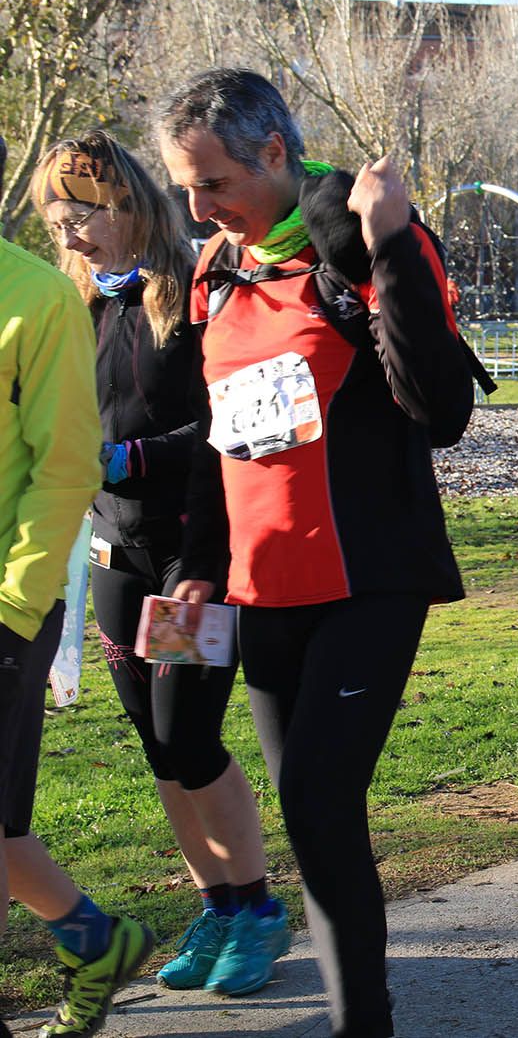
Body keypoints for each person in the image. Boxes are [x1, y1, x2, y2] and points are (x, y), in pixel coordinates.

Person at [159, 68, 472, 1038]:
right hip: (261, 588)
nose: (200, 209)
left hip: (366, 578)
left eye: (214, 184)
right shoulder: (219, 269)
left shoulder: (364, 235)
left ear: (274, 153)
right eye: (187, 189)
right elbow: (220, 435)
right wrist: (198, 562)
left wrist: (388, 243)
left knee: (318, 796)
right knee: (314, 820)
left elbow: (443, 409)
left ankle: (361, 1024)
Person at [30, 130, 288, 997]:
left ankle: (256, 910)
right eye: (56, 221)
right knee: (156, 745)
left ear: (129, 206)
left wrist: (126, 459)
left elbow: (228, 423)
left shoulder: (194, 291)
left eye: (82, 216)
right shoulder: (74, 303)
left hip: (190, 556)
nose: (69, 235)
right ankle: (216, 906)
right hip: (115, 554)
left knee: (189, 735)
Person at [0, 130, 152, 1038]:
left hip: (7, 602)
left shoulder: (39, 297)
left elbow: (65, 466)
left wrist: (15, 604)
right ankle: (97, 941)